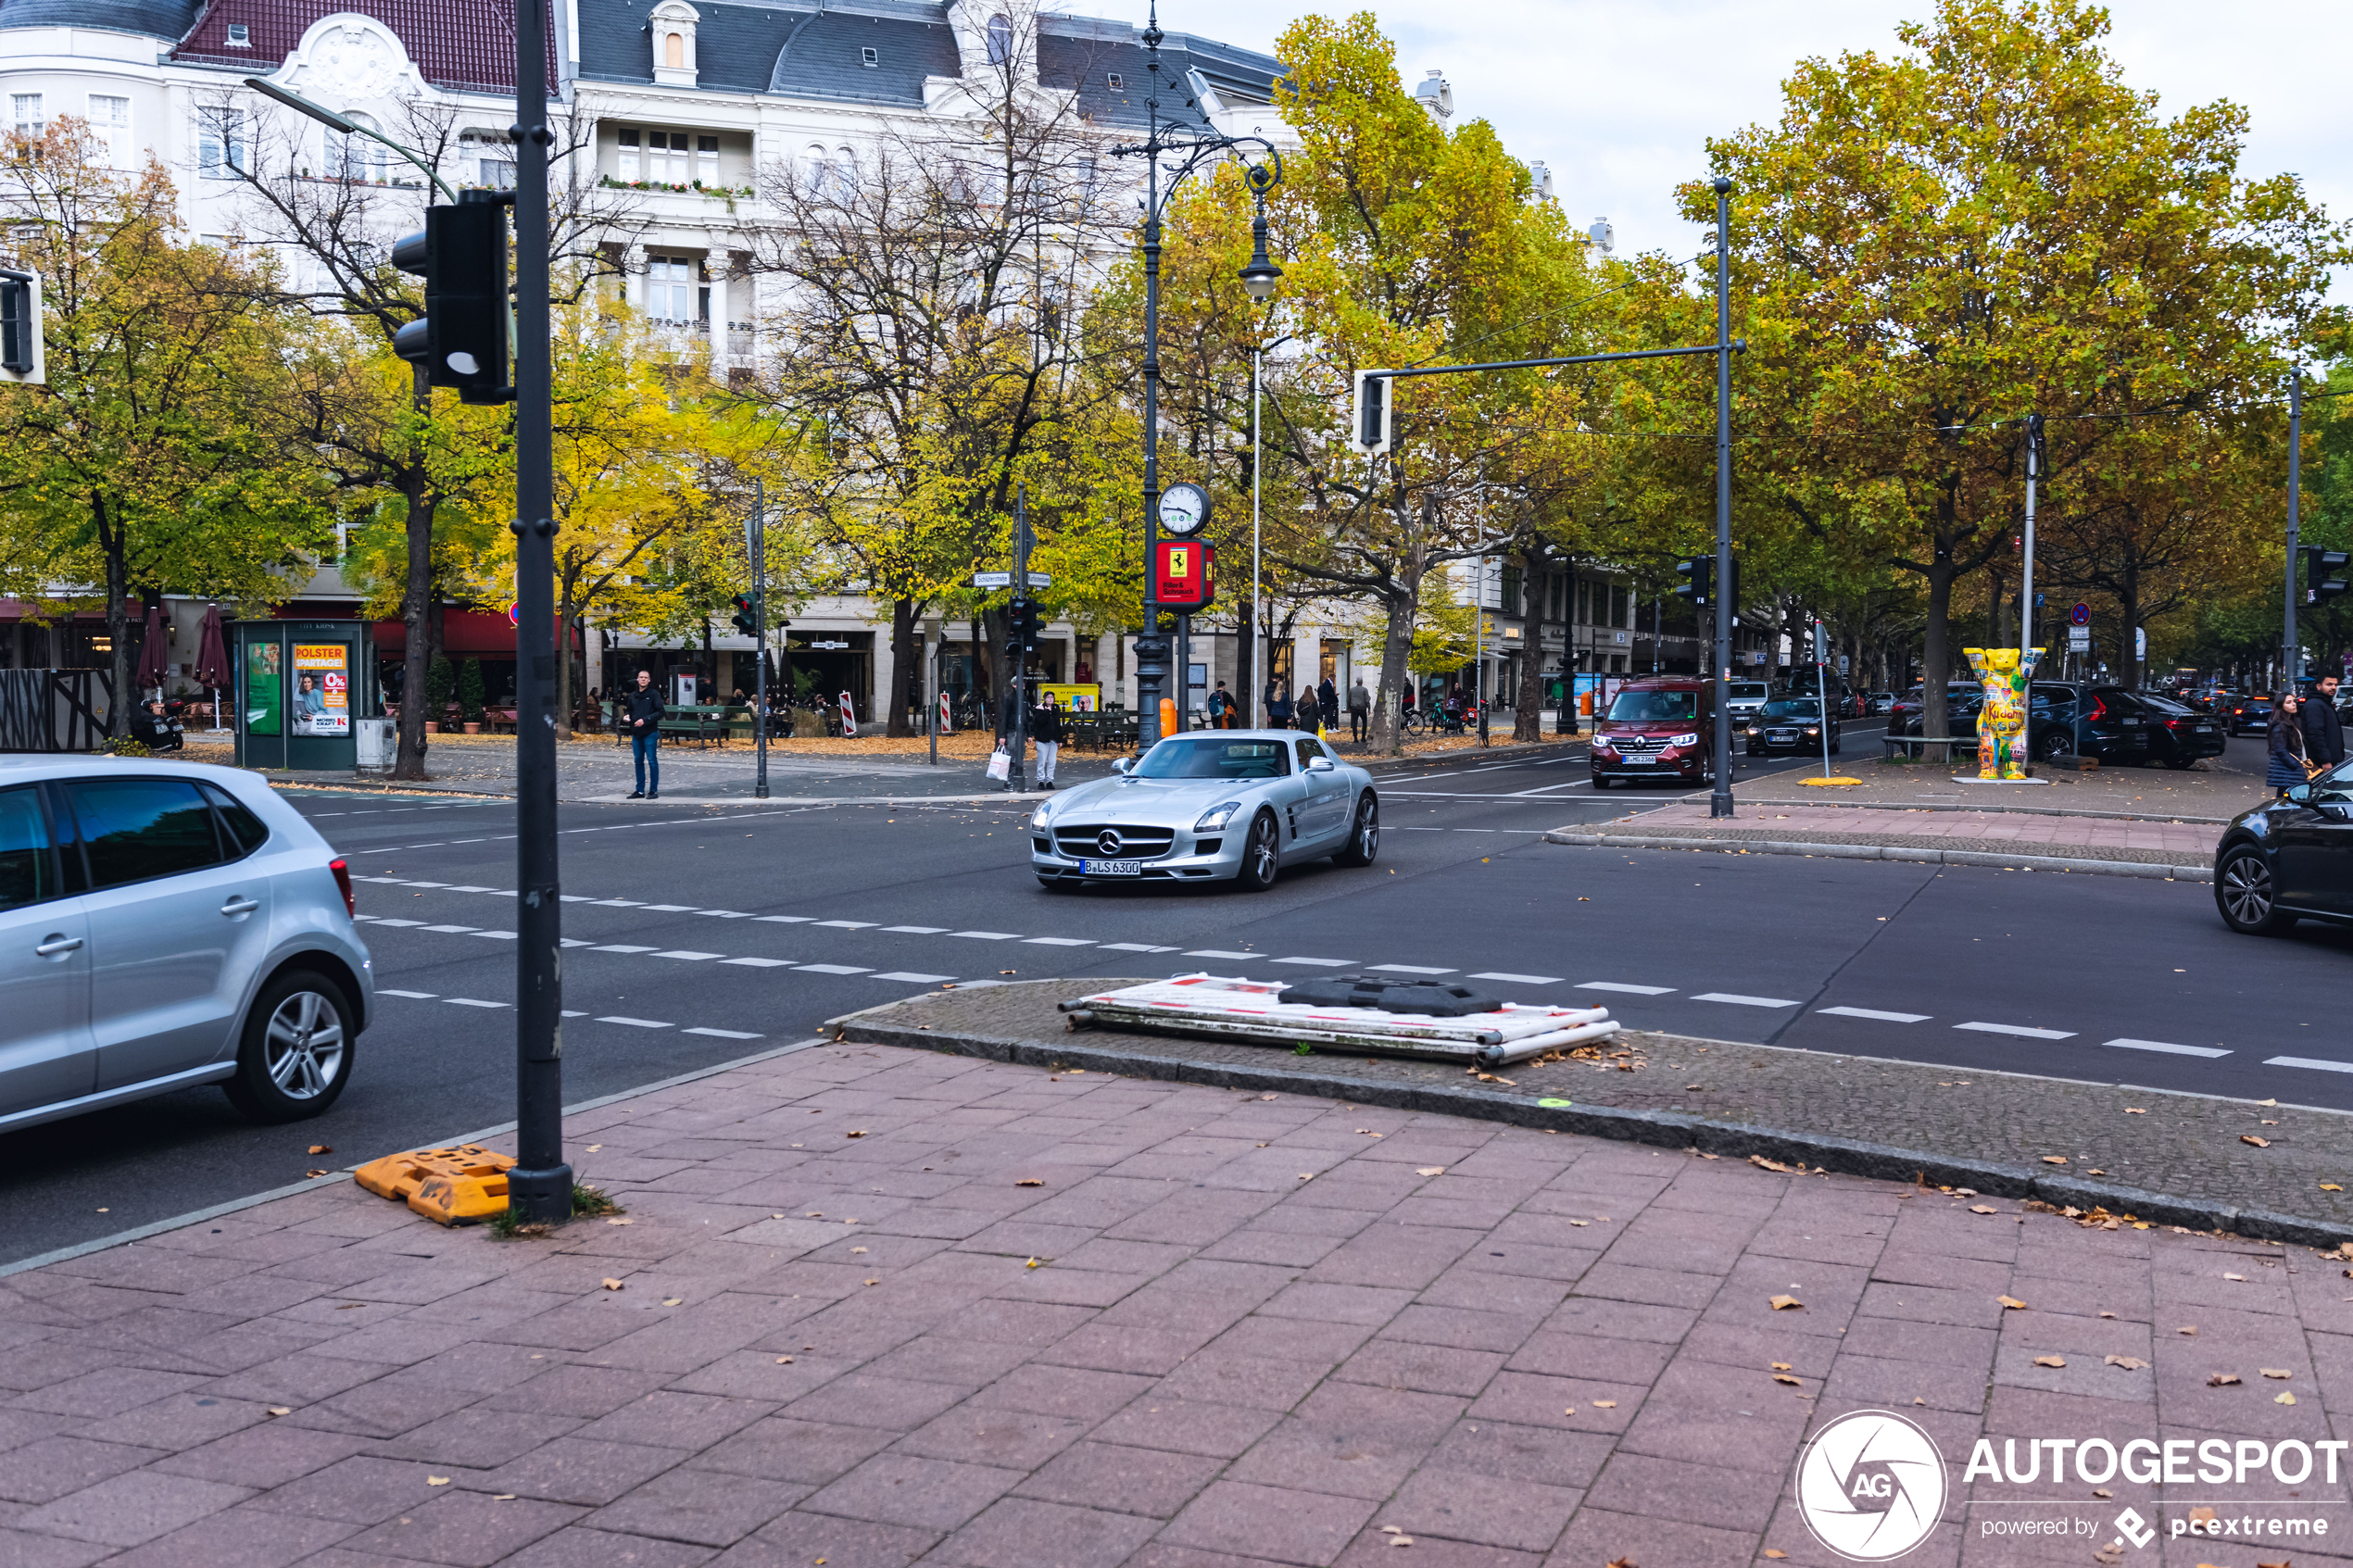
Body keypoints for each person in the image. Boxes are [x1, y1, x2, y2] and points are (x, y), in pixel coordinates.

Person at [621, 669, 664, 798]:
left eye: (646, 677)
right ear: (637, 679)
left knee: (652, 761)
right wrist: (626, 716)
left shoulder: (654, 694)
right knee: (638, 761)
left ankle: (653, 790)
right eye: (641, 677)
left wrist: (645, 720)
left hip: (650, 732)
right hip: (636, 733)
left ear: (649, 680)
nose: (643, 679)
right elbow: (629, 710)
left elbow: (660, 711)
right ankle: (639, 790)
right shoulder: (633, 695)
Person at [2268, 690, 2311, 797]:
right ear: (2280, 706)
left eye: (2293, 701)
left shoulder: (2292, 723)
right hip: (2289, 772)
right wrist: (2295, 765)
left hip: (2292, 772)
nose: (2293, 704)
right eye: (2288, 702)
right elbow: (2280, 749)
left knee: (2286, 802)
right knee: (2289, 802)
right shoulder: (2280, 726)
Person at [2302, 674, 2346, 771]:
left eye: (2335, 685)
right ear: (2319, 686)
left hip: (2327, 760)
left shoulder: (2324, 703)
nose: (2334, 687)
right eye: (2329, 684)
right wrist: (2325, 759)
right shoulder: (2315, 705)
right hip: (2321, 763)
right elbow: (2315, 734)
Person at [1032, 693, 1063, 787]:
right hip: (1042, 739)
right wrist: (1046, 712)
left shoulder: (1056, 709)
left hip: (1053, 739)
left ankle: (1050, 780)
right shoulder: (1039, 708)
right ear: (1044, 699)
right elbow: (1040, 722)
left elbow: (1057, 724)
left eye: (1052, 697)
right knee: (1042, 760)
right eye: (1048, 697)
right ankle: (1040, 780)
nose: (1050, 699)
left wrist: (1060, 739)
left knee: (1052, 761)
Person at [1347, 675, 1370, 742]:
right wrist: (1369, 708)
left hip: (1354, 708)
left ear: (1356, 682)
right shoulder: (1364, 690)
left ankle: (1355, 738)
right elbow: (1366, 700)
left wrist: (1349, 708)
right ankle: (1363, 737)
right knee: (1364, 722)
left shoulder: (1352, 690)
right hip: (1362, 708)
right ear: (1362, 682)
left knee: (1354, 723)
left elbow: (1348, 699)